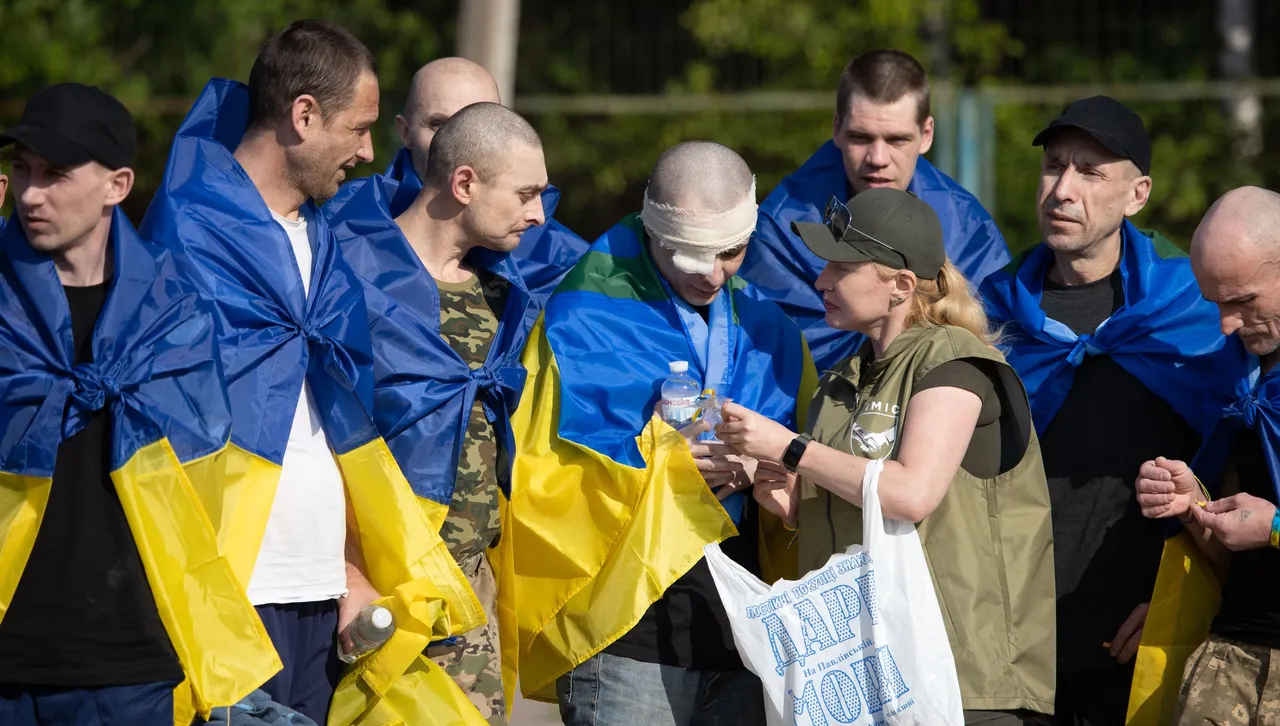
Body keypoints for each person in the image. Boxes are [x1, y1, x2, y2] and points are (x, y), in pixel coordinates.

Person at [139, 20, 483, 724]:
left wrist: (350, 568)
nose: (369, 151)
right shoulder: (187, 237)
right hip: (231, 592)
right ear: (303, 115)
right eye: (358, 128)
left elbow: (340, 422)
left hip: (322, 593)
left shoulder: (323, 241)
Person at [498, 141, 815, 725]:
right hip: (627, 634)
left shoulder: (772, 329)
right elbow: (536, 482)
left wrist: (765, 466)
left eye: (732, 253)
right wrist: (664, 460)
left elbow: (806, 466)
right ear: (653, 232)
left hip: (746, 633)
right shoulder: (579, 321)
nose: (713, 275)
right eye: (693, 257)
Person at [718, 187, 1056, 725]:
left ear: (900, 285)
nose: (821, 281)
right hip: (868, 678)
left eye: (841, 267)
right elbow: (856, 496)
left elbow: (910, 494)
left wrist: (789, 448)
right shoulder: (840, 381)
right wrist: (793, 501)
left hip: (959, 681)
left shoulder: (954, 359)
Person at [0, 83, 275, 726]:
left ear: (117, 185)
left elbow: (207, 483)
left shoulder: (174, 318)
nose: (32, 193)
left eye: (56, 173)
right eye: (24, 169)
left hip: (129, 666)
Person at [980, 97, 1251, 726]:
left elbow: (1236, 473)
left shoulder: (1195, 313)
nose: (1062, 190)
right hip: (1006, 636)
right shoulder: (990, 315)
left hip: (1142, 633)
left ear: (1138, 194)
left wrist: (1181, 600)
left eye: (1090, 172)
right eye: (1054, 165)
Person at [324, 101, 548, 725]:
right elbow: (321, 441)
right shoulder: (351, 280)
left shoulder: (502, 294)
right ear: (464, 183)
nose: (539, 214)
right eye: (526, 194)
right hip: (377, 589)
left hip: (469, 589)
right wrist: (349, 575)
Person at [739, 49, 1011, 372]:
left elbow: (994, 343)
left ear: (926, 135)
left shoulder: (968, 227)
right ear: (837, 128)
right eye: (861, 137)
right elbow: (768, 354)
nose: (877, 158)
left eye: (897, 140)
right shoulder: (783, 226)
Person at [1136, 186, 1280, 725]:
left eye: (1243, 301)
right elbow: (1228, 552)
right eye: (1215, 302)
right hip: (1232, 659)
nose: (1225, 324)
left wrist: (1276, 527)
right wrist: (1193, 506)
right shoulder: (1235, 375)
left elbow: (1268, 526)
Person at [364, 56, 587, 298]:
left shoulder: (566, 264)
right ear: (405, 131)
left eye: (479, 125)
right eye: (439, 124)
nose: (459, 138)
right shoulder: (354, 227)